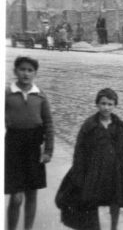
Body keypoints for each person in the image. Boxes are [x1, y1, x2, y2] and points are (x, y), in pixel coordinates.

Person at [56, 88, 123, 230]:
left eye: (110, 104)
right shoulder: (89, 126)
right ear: (97, 104)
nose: (106, 107)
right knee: (90, 200)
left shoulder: (119, 126)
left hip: (114, 171)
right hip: (93, 171)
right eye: (103, 103)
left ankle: (114, 227)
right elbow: (79, 151)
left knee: (115, 201)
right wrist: (78, 172)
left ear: (115, 105)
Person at [5, 56, 54, 230]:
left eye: (30, 70)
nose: (26, 73)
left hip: (34, 147)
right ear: (15, 71)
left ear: (35, 73)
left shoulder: (40, 95)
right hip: (13, 148)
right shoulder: (7, 94)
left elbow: (48, 124)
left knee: (31, 194)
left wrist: (48, 150)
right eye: (22, 69)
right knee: (16, 197)